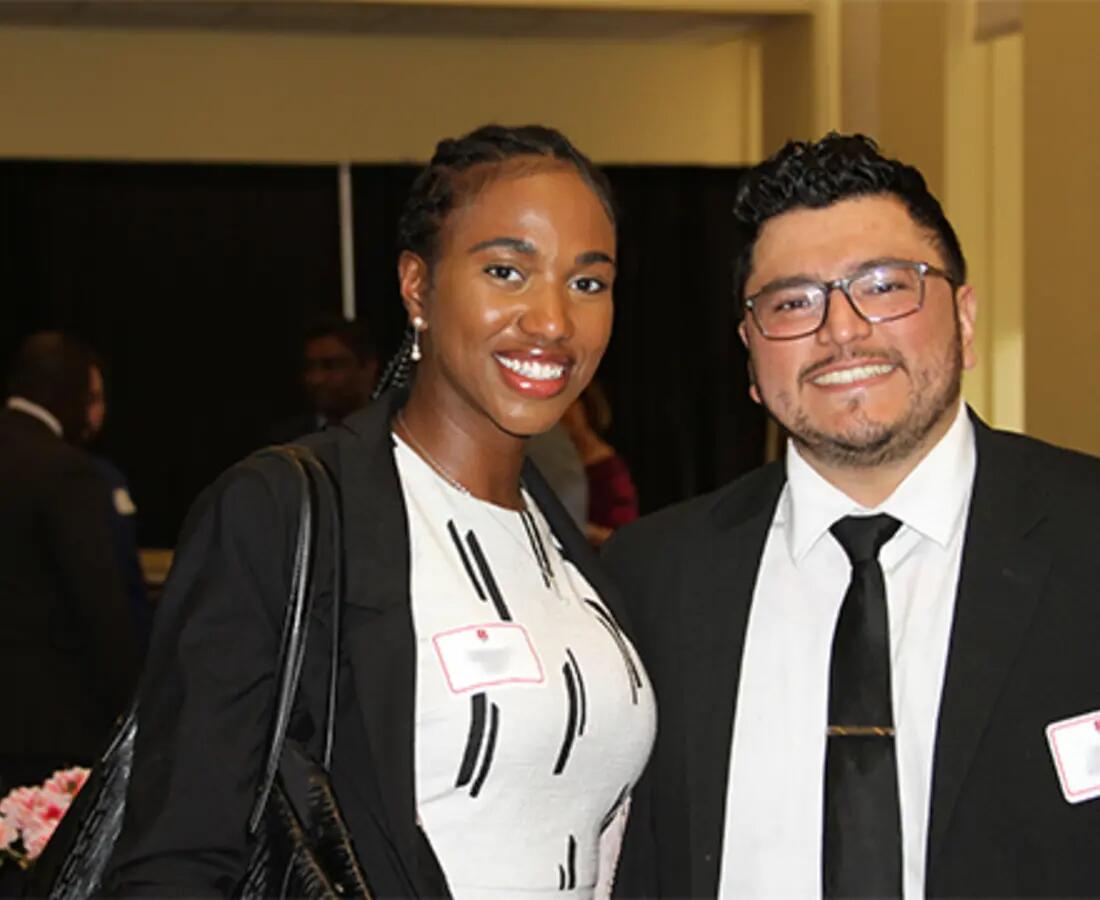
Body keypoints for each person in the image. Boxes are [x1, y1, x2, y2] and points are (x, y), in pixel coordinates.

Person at [103, 124, 656, 898]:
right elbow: (178, 855)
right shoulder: (282, 510)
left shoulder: (571, 557)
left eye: (588, 283)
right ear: (417, 286)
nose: (553, 321)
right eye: (506, 271)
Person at [605, 134, 1100, 899]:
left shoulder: (1085, 538)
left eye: (884, 285)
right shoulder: (651, 581)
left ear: (964, 321)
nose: (841, 330)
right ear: (750, 356)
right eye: (793, 302)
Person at [0, 332, 140, 796]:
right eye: (93, 397)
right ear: (70, 395)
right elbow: (100, 605)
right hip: (52, 723)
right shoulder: (66, 471)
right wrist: (132, 704)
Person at [83, 359, 154, 651]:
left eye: (100, 399)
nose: (98, 412)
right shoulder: (76, 480)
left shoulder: (108, 478)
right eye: (91, 399)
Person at [267, 317, 380, 443]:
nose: (316, 379)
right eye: (309, 367)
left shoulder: (395, 433)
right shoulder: (286, 442)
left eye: (330, 366)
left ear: (368, 368)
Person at [560, 382, 639, 546]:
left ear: (586, 410)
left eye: (569, 411)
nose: (561, 421)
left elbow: (623, 537)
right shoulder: (556, 460)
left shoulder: (610, 471)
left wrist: (582, 530)